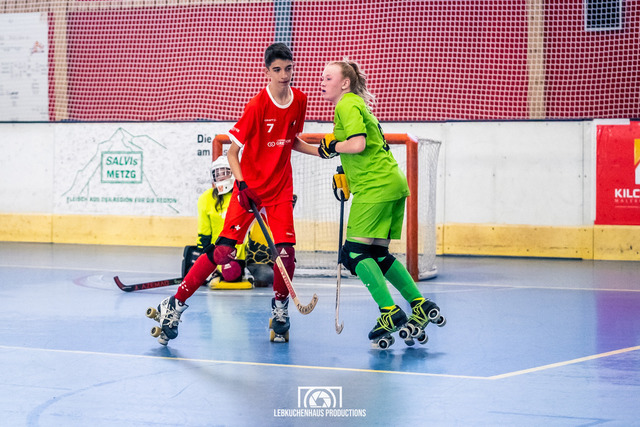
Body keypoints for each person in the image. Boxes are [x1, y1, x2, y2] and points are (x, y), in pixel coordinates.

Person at [152, 42, 318, 345]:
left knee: (286, 254)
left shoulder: (300, 101)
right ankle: (174, 304)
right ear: (267, 72)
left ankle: (280, 309)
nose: (284, 75)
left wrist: (322, 152)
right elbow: (232, 152)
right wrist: (241, 185)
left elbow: (291, 139)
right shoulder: (257, 106)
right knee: (223, 252)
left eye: (288, 68)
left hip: (280, 187)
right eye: (277, 70)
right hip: (250, 188)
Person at [318, 59, 446, 348]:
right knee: (377, 253)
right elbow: (347, 148)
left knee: (354, 254)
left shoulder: (346, 105)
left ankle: (389, 312)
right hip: (392, 184)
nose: (321, 83)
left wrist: (334, 146)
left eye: (327, 78)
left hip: (375, 188)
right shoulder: (358, 105)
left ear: (345, 83)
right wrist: (303, 145)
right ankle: (419, 304)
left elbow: (357, 144)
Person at [181, 156, 247, 288]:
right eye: (217, 173)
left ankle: (223, 271)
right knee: (194, 271)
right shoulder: (206, 198)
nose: (221, 177)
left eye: (224, 172)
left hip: (236, 253)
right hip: (215, 252)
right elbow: (204, 232)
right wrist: (205, 258)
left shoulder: (241, 195)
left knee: (231, 273)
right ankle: (214, 271)